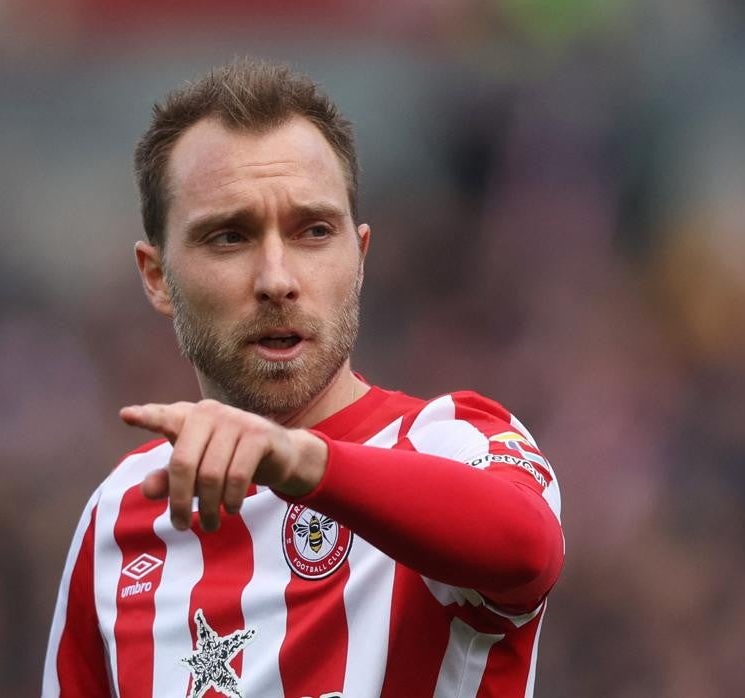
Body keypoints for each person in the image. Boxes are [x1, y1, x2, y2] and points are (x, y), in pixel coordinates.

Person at [42, 58, 564, 698]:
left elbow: (529, 549)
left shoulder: (452, 443)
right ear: (157, 277)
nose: (277, 279)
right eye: (229, 237)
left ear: (360, 255)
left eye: (314, 231)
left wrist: (303, 463)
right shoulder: (121, 514)